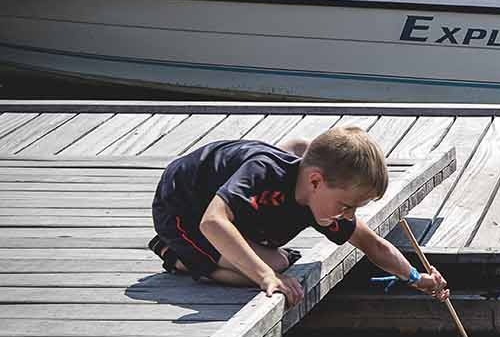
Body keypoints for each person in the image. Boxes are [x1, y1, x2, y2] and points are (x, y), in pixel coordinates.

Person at [148, 125, 447, 305]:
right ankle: (176, 255)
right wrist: (266, 277)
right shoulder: (263, 172)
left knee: (280, 261)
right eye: (346, 206)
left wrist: (416, 278)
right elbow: (212, 222)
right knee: (262, 271)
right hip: (183, 208)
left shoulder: (322, 201)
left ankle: (243, 253)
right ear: (315, 182)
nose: (348, 216)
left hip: (241, 213)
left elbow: (373, 245)